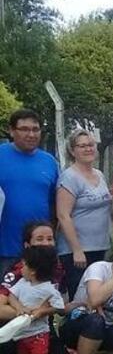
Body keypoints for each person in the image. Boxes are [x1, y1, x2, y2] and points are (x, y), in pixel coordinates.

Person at [0, 222, 73, 354]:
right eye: (39, 239)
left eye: (50, 239)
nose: (46, 243)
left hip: (42, 331)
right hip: (14, 329)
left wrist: (56, 308)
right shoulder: (19, 271)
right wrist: (26, 314)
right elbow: (1, 307)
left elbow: (61, 305)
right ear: (27, 245)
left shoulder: (58, 269)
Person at [0, 109, 59, 274]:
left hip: (39, 249)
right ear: (12, 131)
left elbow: (54, 203)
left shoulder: (49, 162)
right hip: (5, 249)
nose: (31, 134)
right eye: (24, 129)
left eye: (35, 129)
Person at [56, 129, 112, 298]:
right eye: (82, 146)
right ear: (72, 151)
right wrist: (77, 249)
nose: (88, 149)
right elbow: (63, 215)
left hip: (99, 246)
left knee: (97, 297)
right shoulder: (69, 177)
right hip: (77, 252)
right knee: (79, 297)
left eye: (91, 145)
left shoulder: (99, 175)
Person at [6, 246, 65, 354]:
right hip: (22, 333)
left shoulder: (48, 289)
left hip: (39, 333)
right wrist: (19, 308)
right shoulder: (22, 284)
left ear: (33, 270)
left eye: (24, 265)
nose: (21, 268)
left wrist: (42, 311)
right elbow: (11, 296)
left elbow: (60, 307)